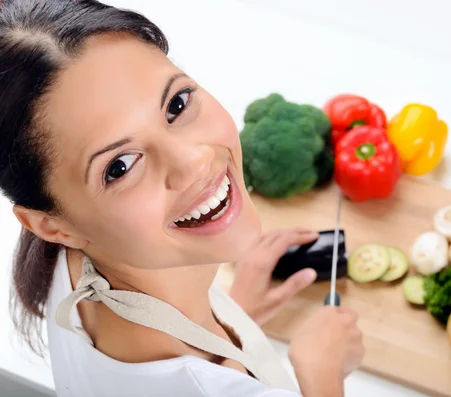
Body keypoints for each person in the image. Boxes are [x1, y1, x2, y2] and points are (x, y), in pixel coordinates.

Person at [0, 1, 365, 396]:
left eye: (176, 104)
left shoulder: (69, 258)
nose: (195, 161)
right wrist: (322, 374)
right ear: (52, 225)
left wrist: (234, 312)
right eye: (120, 166)